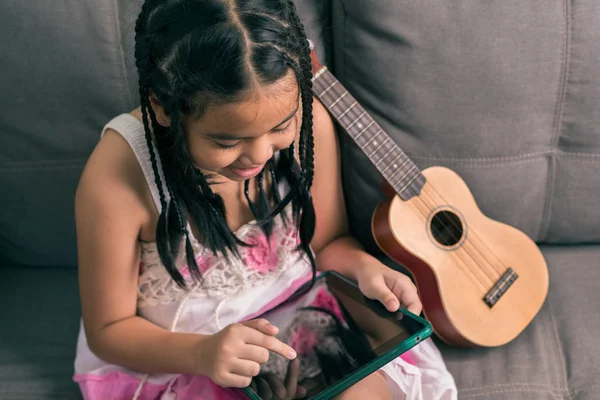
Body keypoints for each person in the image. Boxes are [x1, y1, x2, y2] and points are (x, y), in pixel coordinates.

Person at [72, 0, 457, 398]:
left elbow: (327, 245)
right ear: (162, 108)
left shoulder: (309, 121)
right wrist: (203, 354)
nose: (259, 156)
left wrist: (364, 268)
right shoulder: (118, 177)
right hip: (187, 352)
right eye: (227, 141)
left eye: (281, 126)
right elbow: (109, 331)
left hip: (302, 324)